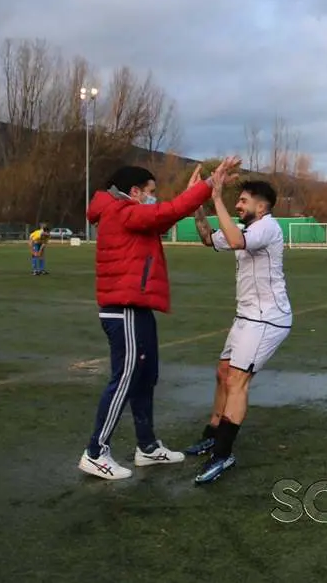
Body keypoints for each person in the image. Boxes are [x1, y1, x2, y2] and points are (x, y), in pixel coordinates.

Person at [76, 157, 237, 480]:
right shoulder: (120, 211)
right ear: (134, 192)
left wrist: (192, 194)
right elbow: (166, 212)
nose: (153, 197)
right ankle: (95, 453)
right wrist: (208, 187)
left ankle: (147, 447)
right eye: (150, 191)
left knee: (146, 376)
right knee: (125, 378)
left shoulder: (130, 212)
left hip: (136, 308)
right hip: (123, 309)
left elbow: (162, 219)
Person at [188, 176, 292, 484]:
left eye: (243, 201)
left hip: (267, 319)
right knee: (223, 372)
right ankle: (213, 433)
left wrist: (216, 197)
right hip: (246, 318)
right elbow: (209, 239)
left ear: (261, 207)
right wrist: (197, 202)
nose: (237, 205)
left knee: (237, 381)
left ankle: (223, 454)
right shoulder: (246, 229)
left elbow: (234, 242)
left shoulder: (267, 227)